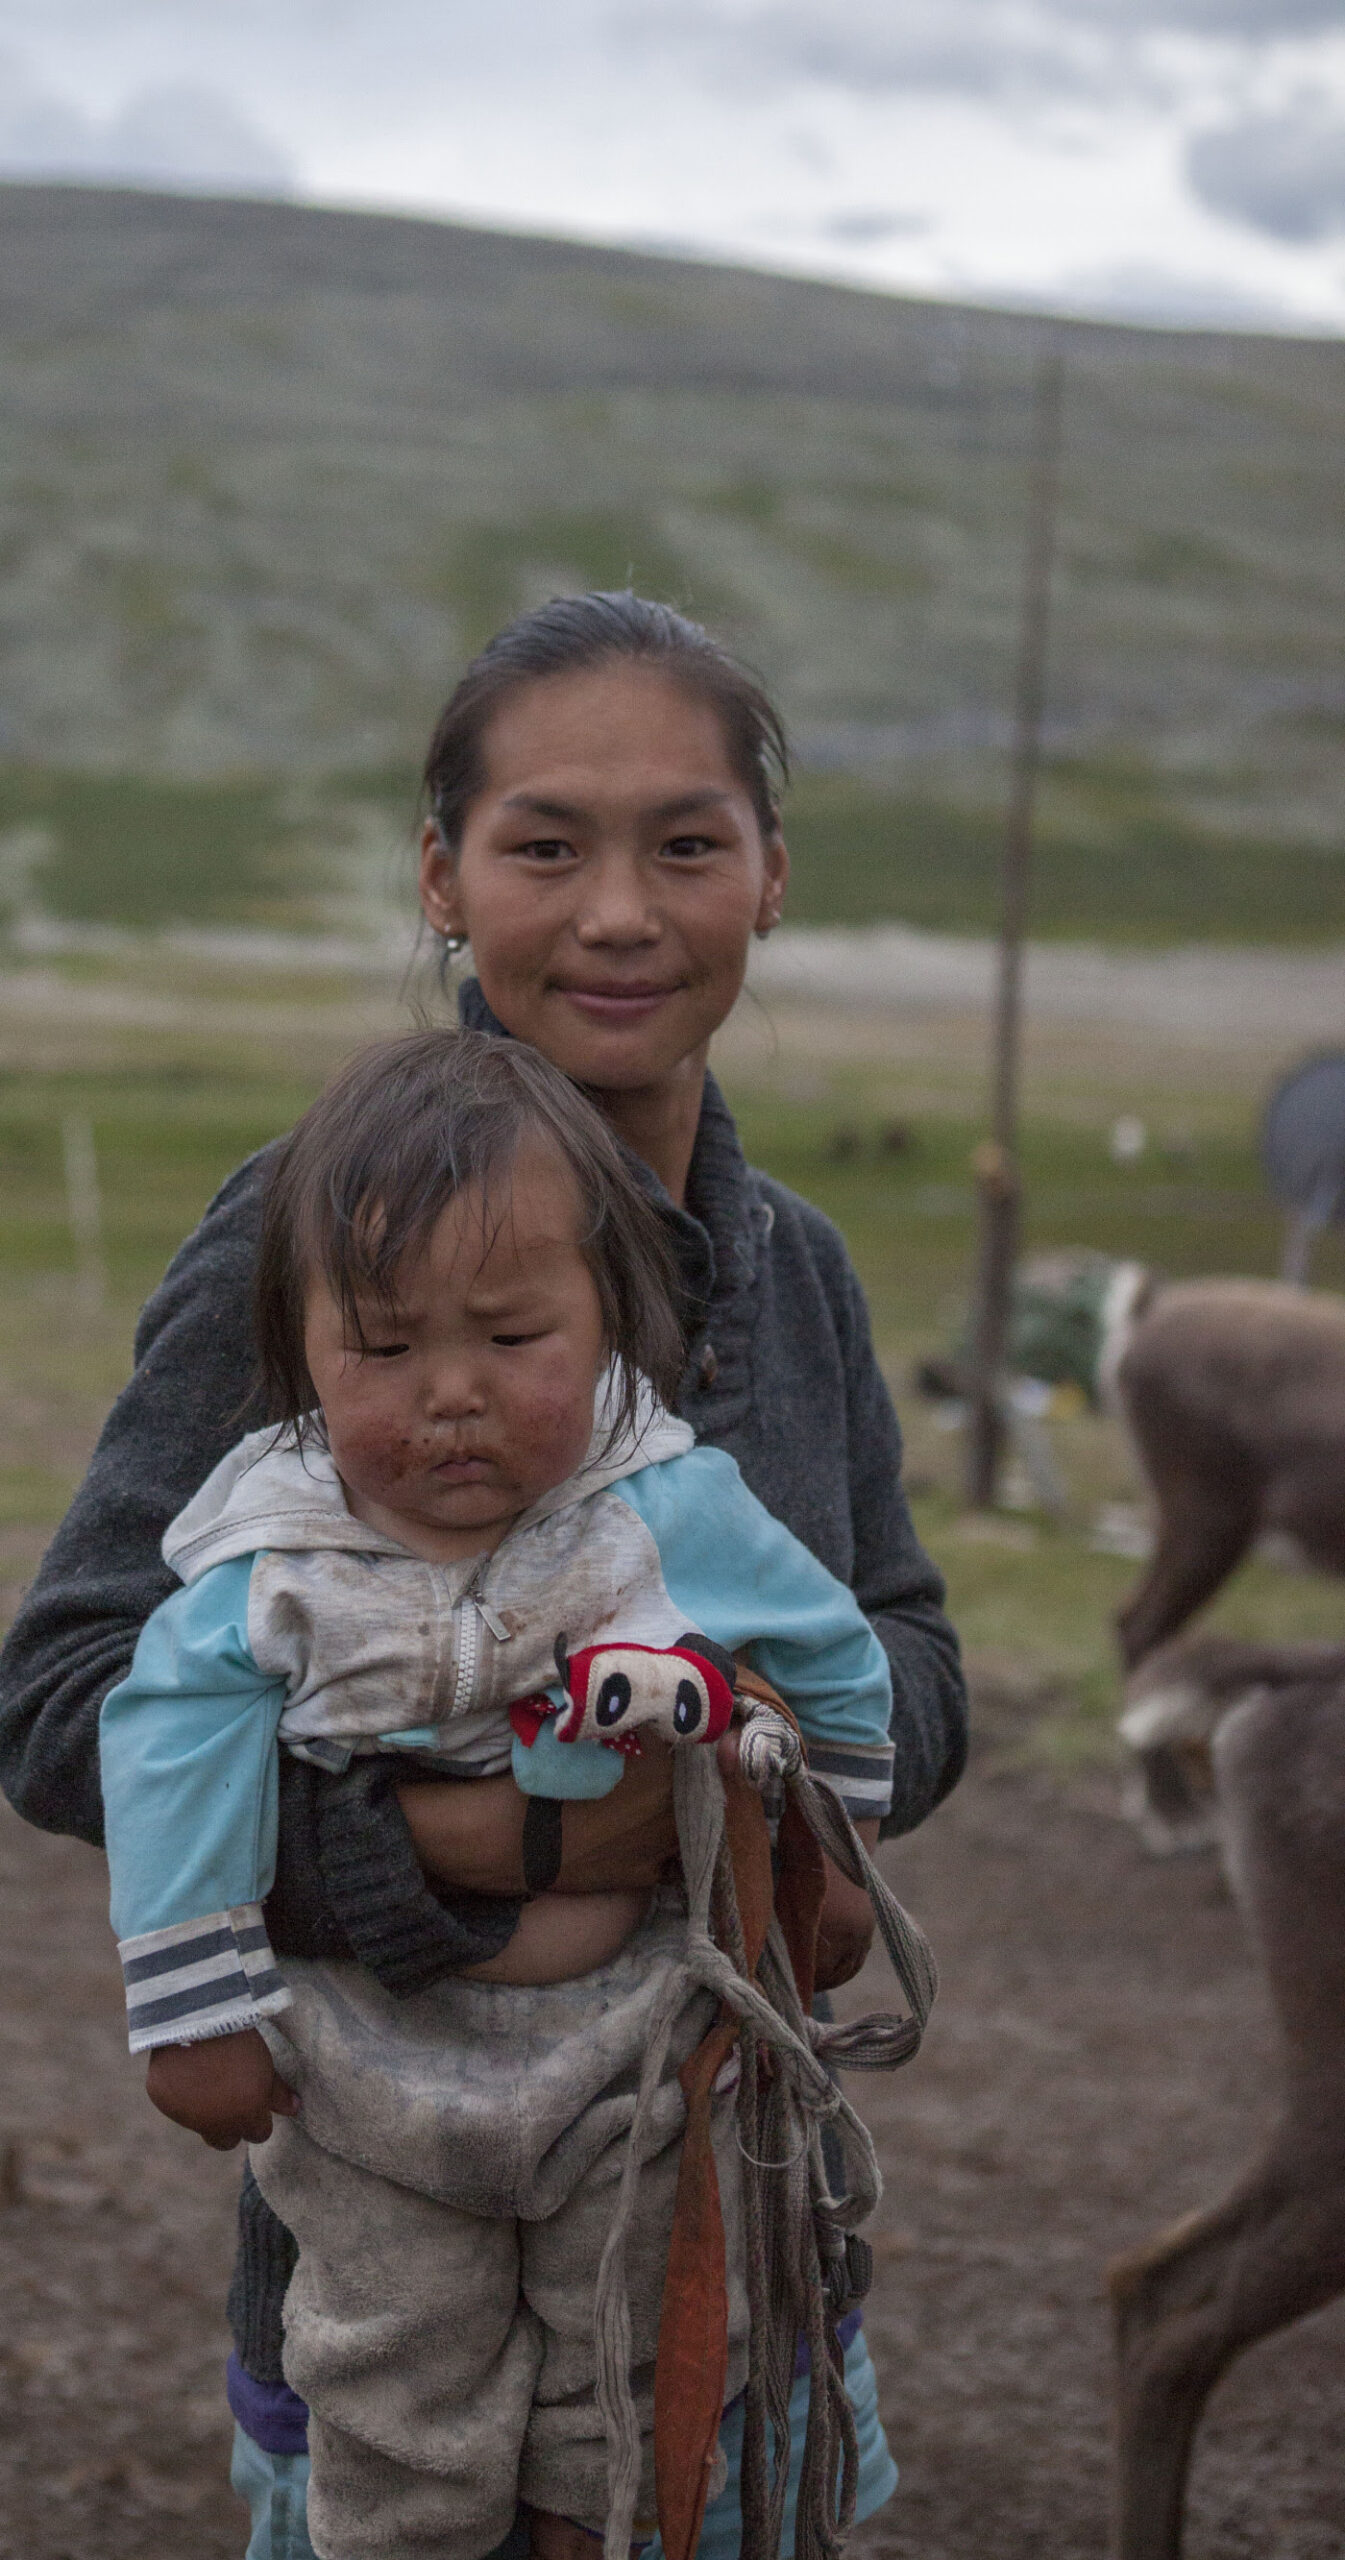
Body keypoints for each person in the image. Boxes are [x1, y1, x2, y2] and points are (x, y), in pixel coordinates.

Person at [0, 592, 967, 2559]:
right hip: (389, 2228)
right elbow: (69, 1690)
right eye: (546, 843)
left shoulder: (794, 1271)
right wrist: (485, 1841)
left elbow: (914, 1651)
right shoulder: (303, 1239)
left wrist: (776, 1761)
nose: (620, 910)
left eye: (685, 841)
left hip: (724, 2209)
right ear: (441, 876)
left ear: (770, 876)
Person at [100, 1026, 901, 2560]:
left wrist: (830, 1848)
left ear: (609, 1328)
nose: (450, 1397)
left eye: (511, 1339)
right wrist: (194, 2014)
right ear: (297, 1351)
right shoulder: (270, 1560)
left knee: (642, 2369)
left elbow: (836, 1646)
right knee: (392, 2379)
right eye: (386, 1353)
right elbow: (162, 1739)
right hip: (365, 2081)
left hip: (635, 2063)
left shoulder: (660, 1508)